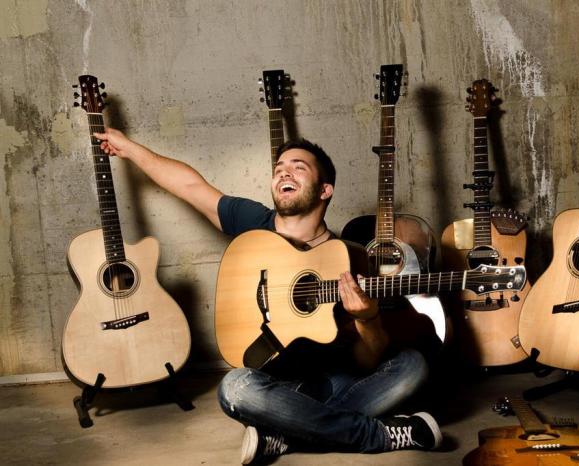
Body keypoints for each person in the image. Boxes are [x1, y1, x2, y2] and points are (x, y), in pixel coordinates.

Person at [94, 129, 443, 463]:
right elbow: (189, 186)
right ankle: (376, 435)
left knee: (412, 364)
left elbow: (365, 361)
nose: (283, 173)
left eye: (298, 167)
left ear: (325, 190)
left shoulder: (347, 257)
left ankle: (286, 434)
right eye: (279, 169)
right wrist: (129, 148)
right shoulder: (253, 223)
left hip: (332, 382)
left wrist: (367, 318)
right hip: (272, 386)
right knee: (235, 388)